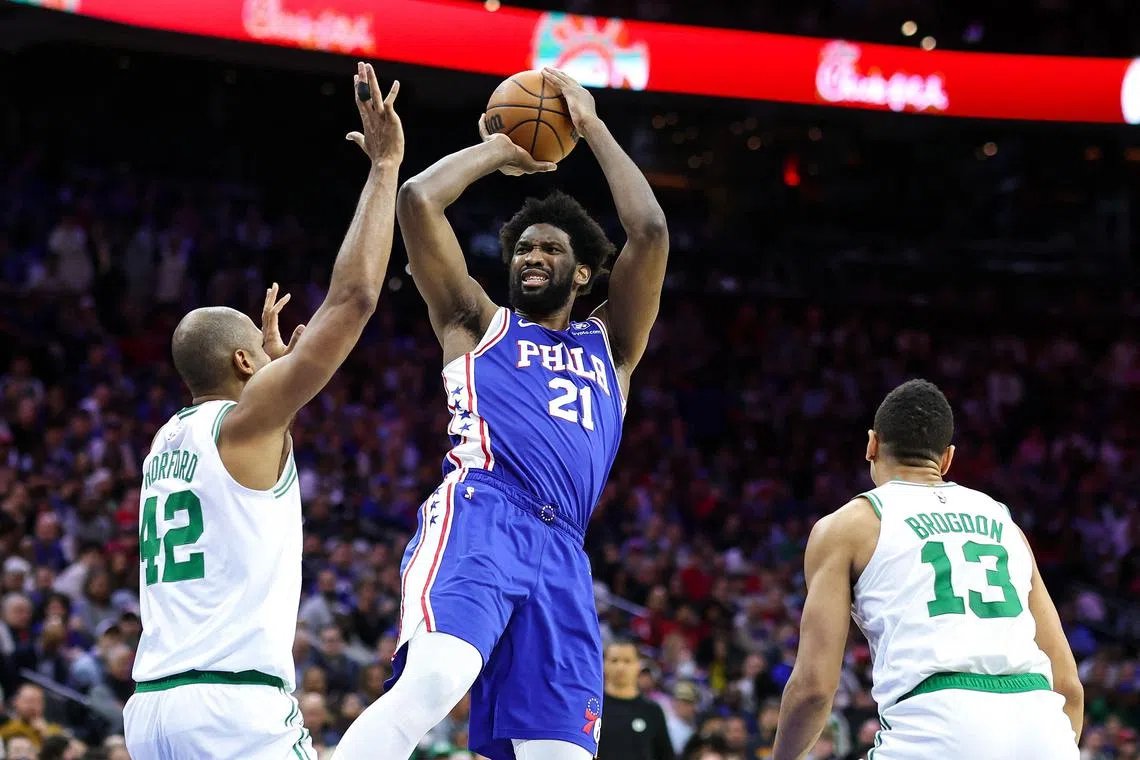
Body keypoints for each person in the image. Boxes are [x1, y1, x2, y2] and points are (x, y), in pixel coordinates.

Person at [334, 67, 669, 760]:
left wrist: (594, 126)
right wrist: (503, 152)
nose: (532, 257)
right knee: (433, 681)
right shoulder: (476, 320)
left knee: (561, 755)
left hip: (565, 553)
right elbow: (421, 199)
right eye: (522, 248)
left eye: (550, 248)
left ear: (583, 274)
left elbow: (650, 231)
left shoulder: (613, 347)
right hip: (486, 514)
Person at [121, 62, 403, 760]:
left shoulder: (168, 440)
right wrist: (384, 168)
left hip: (153, 709)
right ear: (245, 365)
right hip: (233, 708)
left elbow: (249, 478)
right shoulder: (243, 424)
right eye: (259, 345)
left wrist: (277, 382)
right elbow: (355, 299)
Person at [773, 379, 1084, 759]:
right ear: (947, 458)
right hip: (1043, 725)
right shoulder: (1005, 524)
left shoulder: (848, 526)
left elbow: (814, 688)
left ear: (872, 444)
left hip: (939, 724)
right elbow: (1068, 685)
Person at [596, 640, 675, 760]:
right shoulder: (594, 707)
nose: (620, 667)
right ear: (603, 664)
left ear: (638, 665)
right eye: (614, 660)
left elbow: (666, 755)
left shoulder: (652, 711)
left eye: (627, 661)